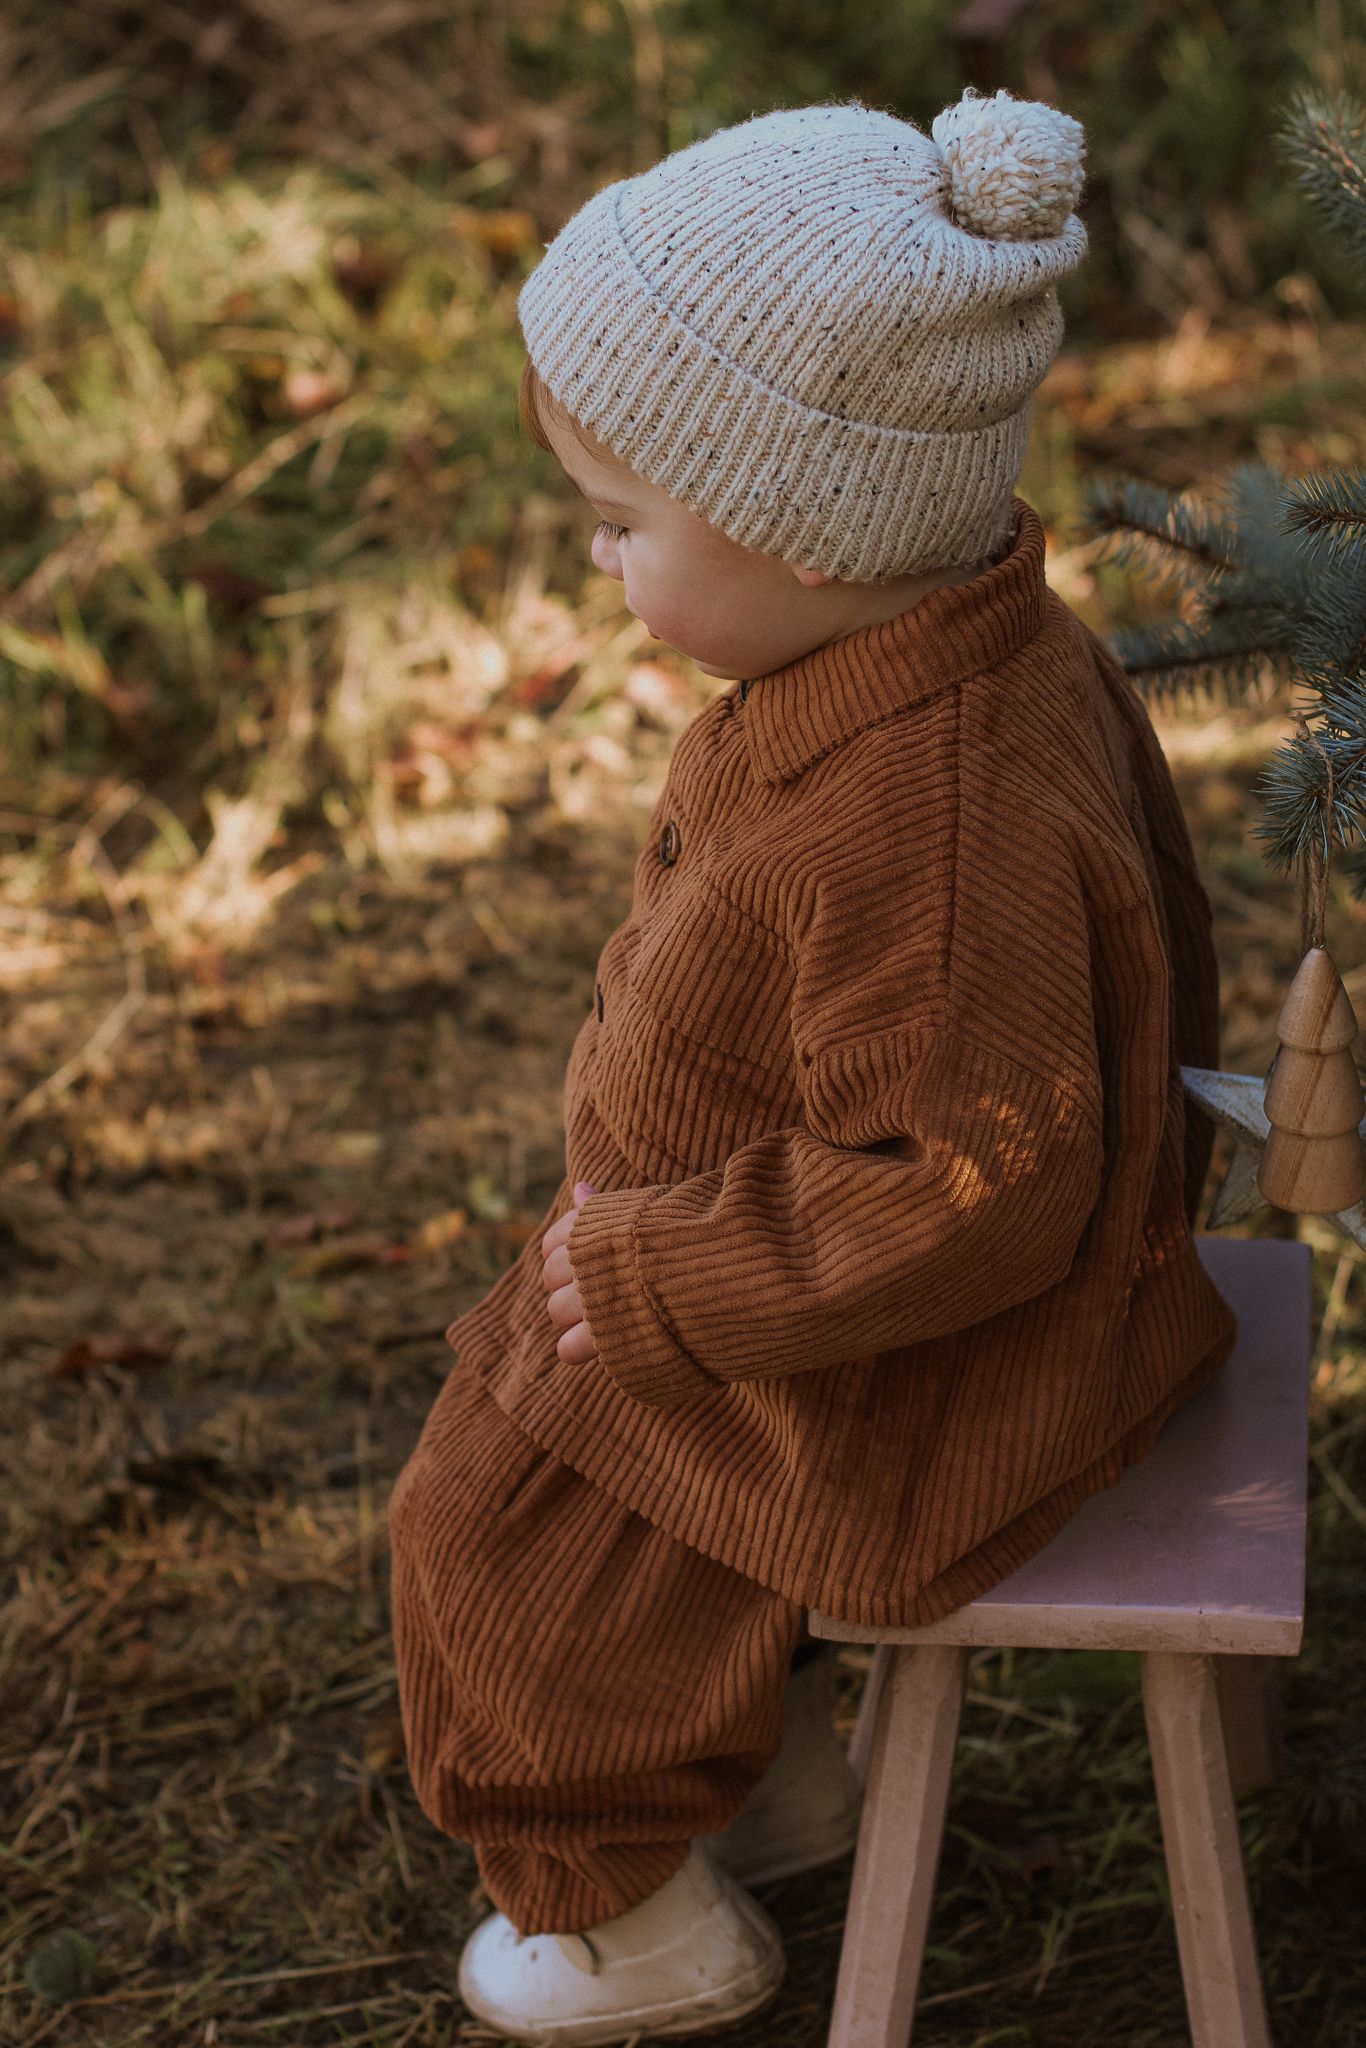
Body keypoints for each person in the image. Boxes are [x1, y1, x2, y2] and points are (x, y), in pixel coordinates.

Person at [387, 89, 1238, 2045]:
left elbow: (979, 1177)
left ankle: (618, 1909)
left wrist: (669, 1274)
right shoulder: (924, 661)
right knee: (554, 1458)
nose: (601, 567)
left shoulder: (933, 821)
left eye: (621, 525)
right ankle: (757, 1779)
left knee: (492, 1517)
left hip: (914, 1361)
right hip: (802, 1278)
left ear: (803, 519)